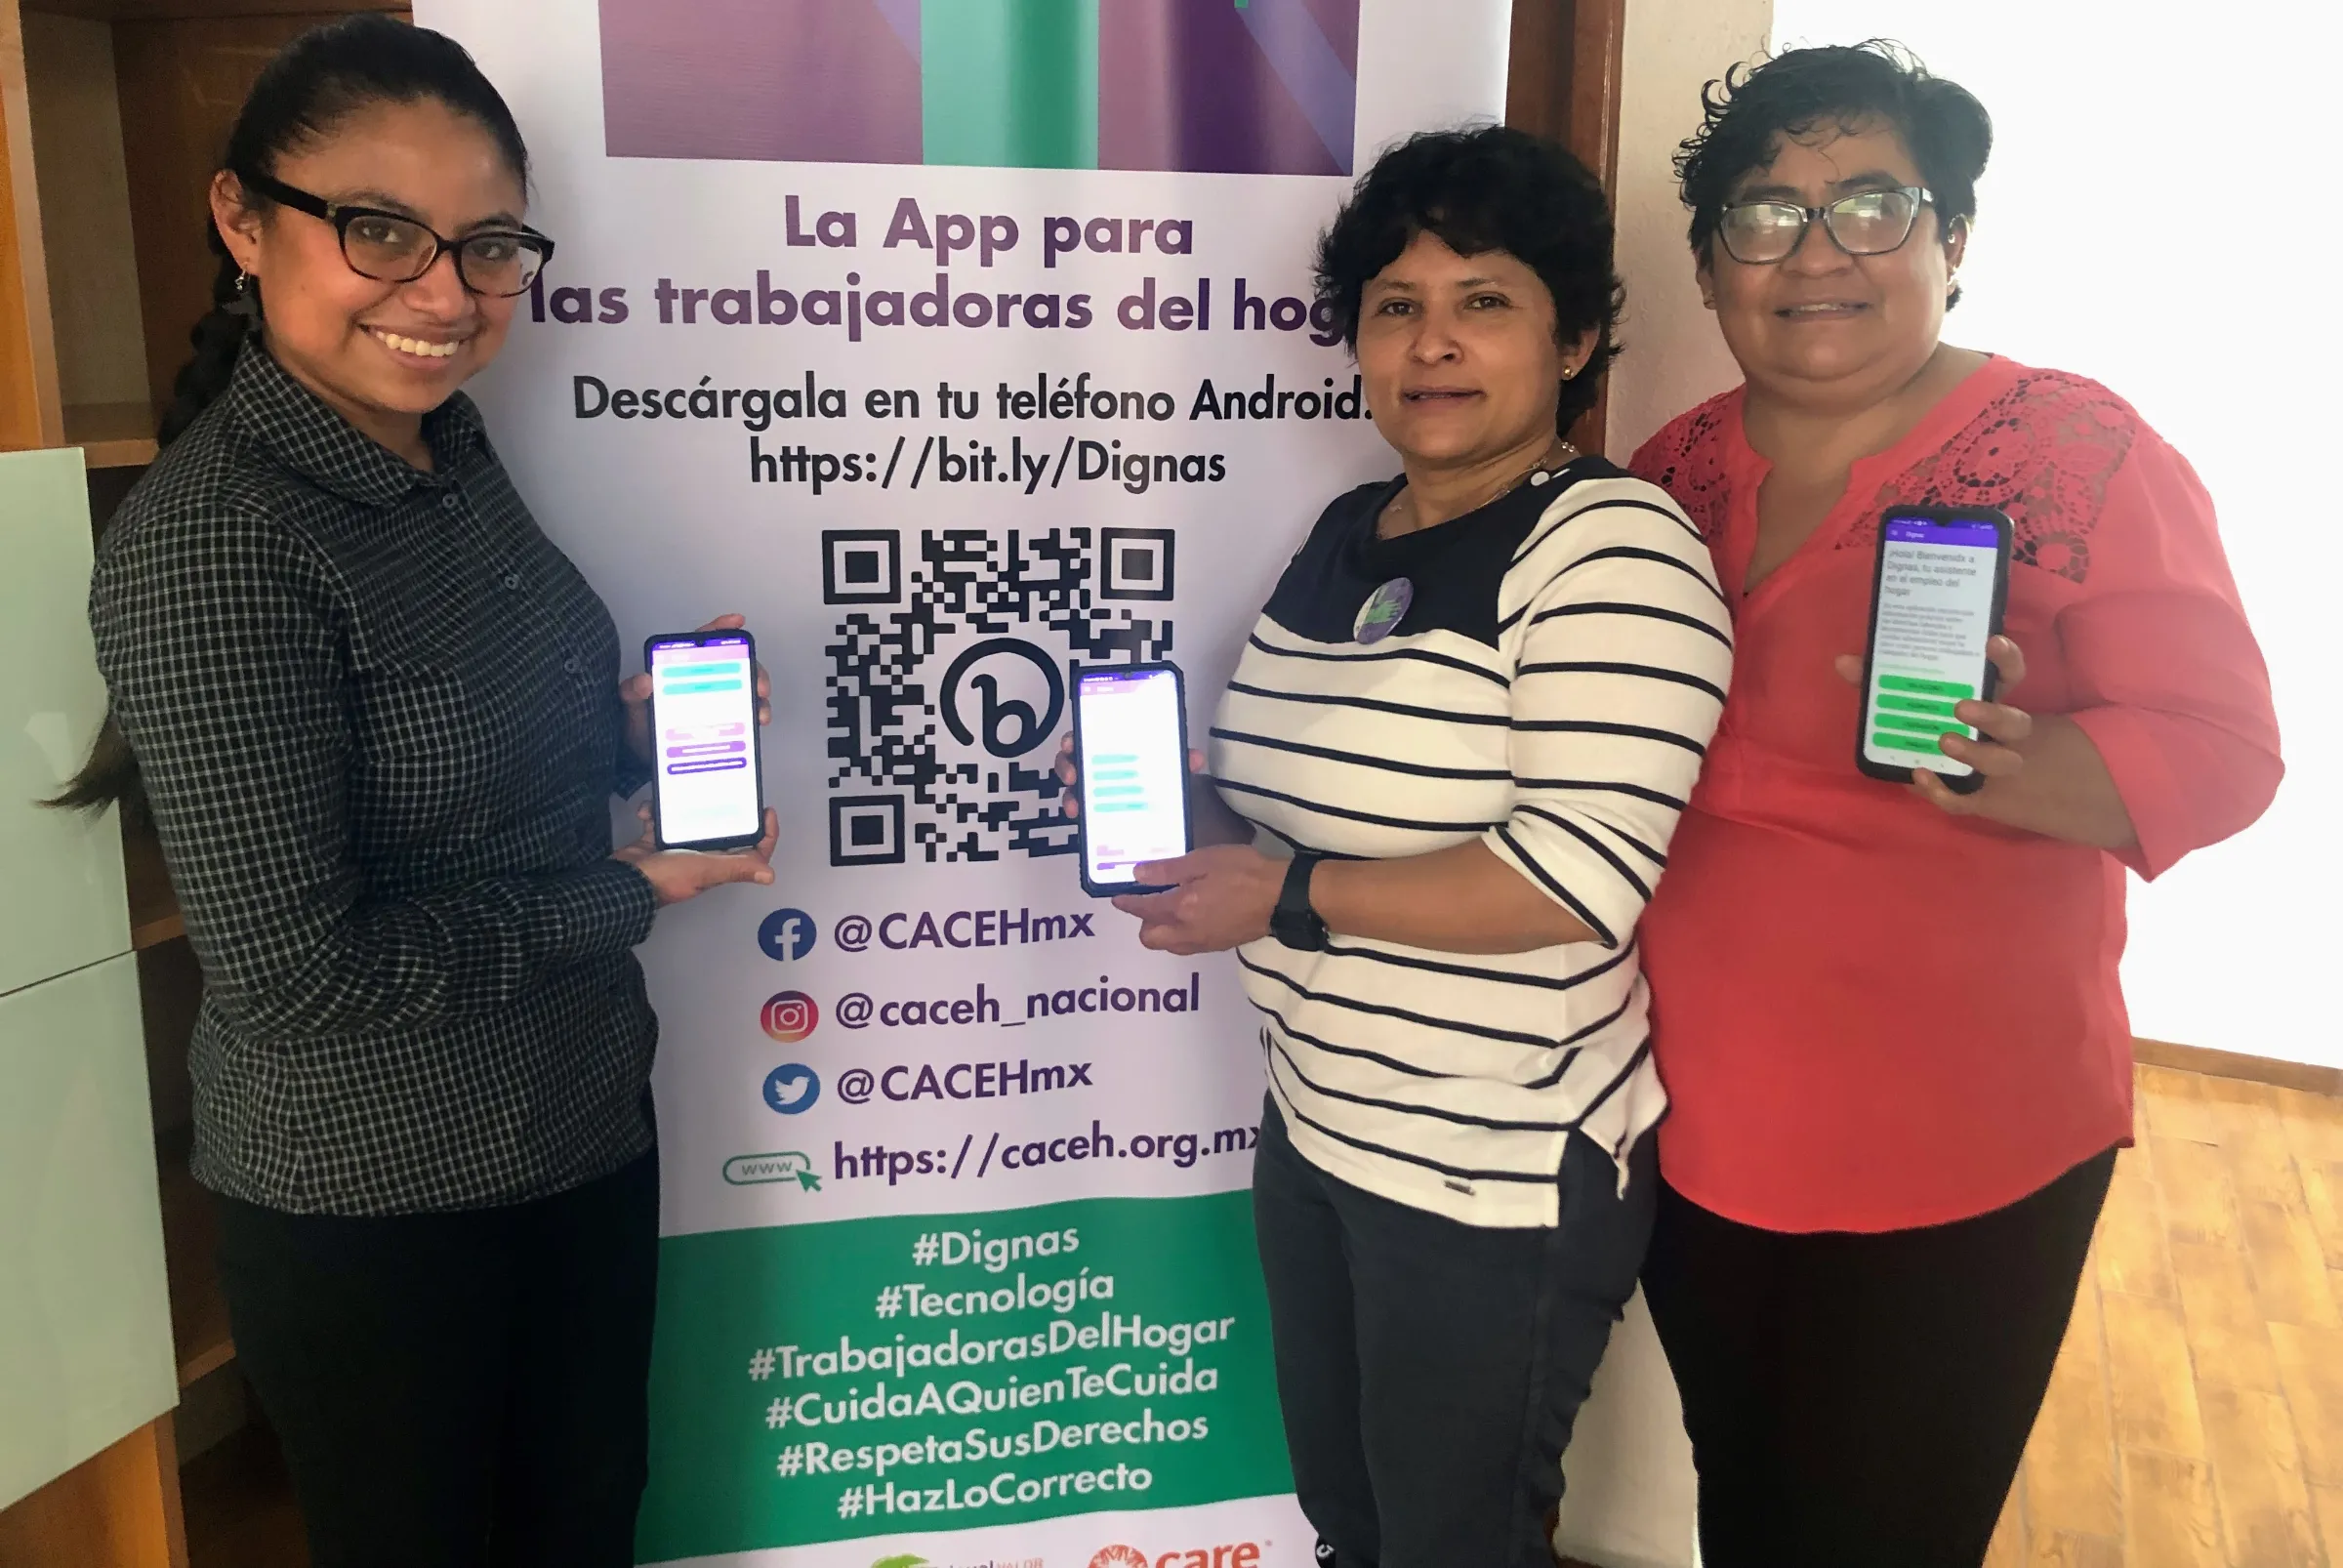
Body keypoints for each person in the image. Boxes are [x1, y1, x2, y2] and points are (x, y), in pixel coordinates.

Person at [56, 18, 777, 1566]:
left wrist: (634, 734)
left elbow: (462, 752)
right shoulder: (213, 547)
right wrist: (626, 894)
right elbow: (302, 978)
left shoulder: (448, 447)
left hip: (575, 1131)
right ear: (244, 221)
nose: (444, 294)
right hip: (380, 1207)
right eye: (379, 230)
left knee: (588, 1532)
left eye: (486, 244)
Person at [1625, 42, 2283, 1566]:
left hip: (1964, 1146)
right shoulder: (1671, 473)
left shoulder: (2079, 450)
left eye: (1869, 202)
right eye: (1764, 213)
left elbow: (2227, 743)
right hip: (1695, 1132)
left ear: (1953, 240)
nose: (1817, 251)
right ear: (1717, 266)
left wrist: (2033, 766)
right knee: (1750, 1501)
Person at [1059, 127, 1732, 1568]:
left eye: (1483, 300)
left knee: (1454, 1541)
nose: (1432, 343)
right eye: (1396, 304)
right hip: (1318, 1124)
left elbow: (1575, 878)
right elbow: (1296, 825)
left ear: (1576, 338)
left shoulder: (1612, 545)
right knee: (1354, 1523)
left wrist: (1285, 891)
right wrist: (1196, 829)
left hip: (1490, 1170)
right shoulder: (1339, 532)